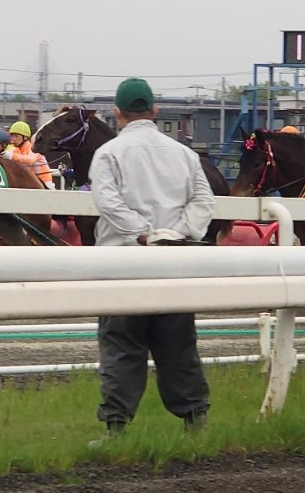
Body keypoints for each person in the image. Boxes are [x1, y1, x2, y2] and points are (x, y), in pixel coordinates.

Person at [88, 77, 214, 444]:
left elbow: (108, 203)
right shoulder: (185, 154)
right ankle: (196, 427)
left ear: (117, 114)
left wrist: (143, 234)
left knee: (121, 345)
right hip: (173, 264)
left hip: (122, 266)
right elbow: (204, 202)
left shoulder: (109, 153)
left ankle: (116, 431)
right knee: (178, 345)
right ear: (155, 111)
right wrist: (175, 234)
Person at [4, 119, 55, 188]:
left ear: (25, 137)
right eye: (12, 136)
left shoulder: (33, 148)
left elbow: (30, 160)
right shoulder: (16, 150)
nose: (13, 139)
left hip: (45, 185)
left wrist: (11, 156)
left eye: (16, 136)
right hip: (31, 184)